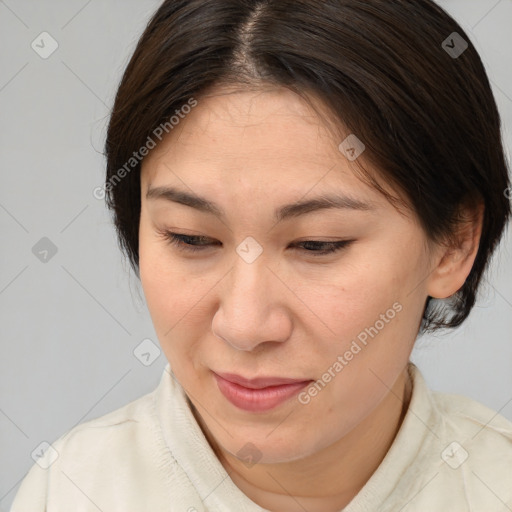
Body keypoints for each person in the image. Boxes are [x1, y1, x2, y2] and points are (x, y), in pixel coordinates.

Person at [11, 0, 512, 510]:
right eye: (191, 238)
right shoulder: (71, 492)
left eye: (317, 244)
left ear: (453, 242)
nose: (244, 326)